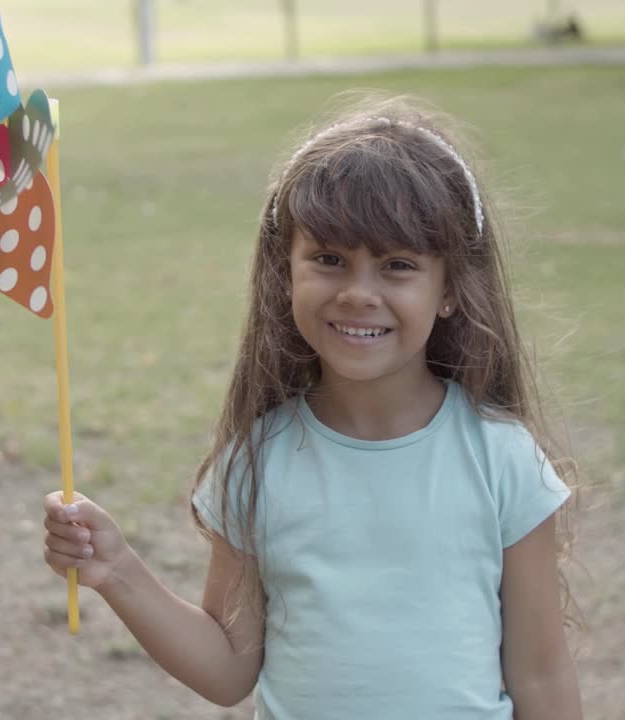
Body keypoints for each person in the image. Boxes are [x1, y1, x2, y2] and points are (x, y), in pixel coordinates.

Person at [42, 95, 583, 719]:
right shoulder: (259, 461)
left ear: (451, 290)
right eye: (329, 260)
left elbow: (541, 678)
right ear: (286, 272)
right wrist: (116, 570)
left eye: (398, 266)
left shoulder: (502, 459)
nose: (358, 293)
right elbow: (227, 669)